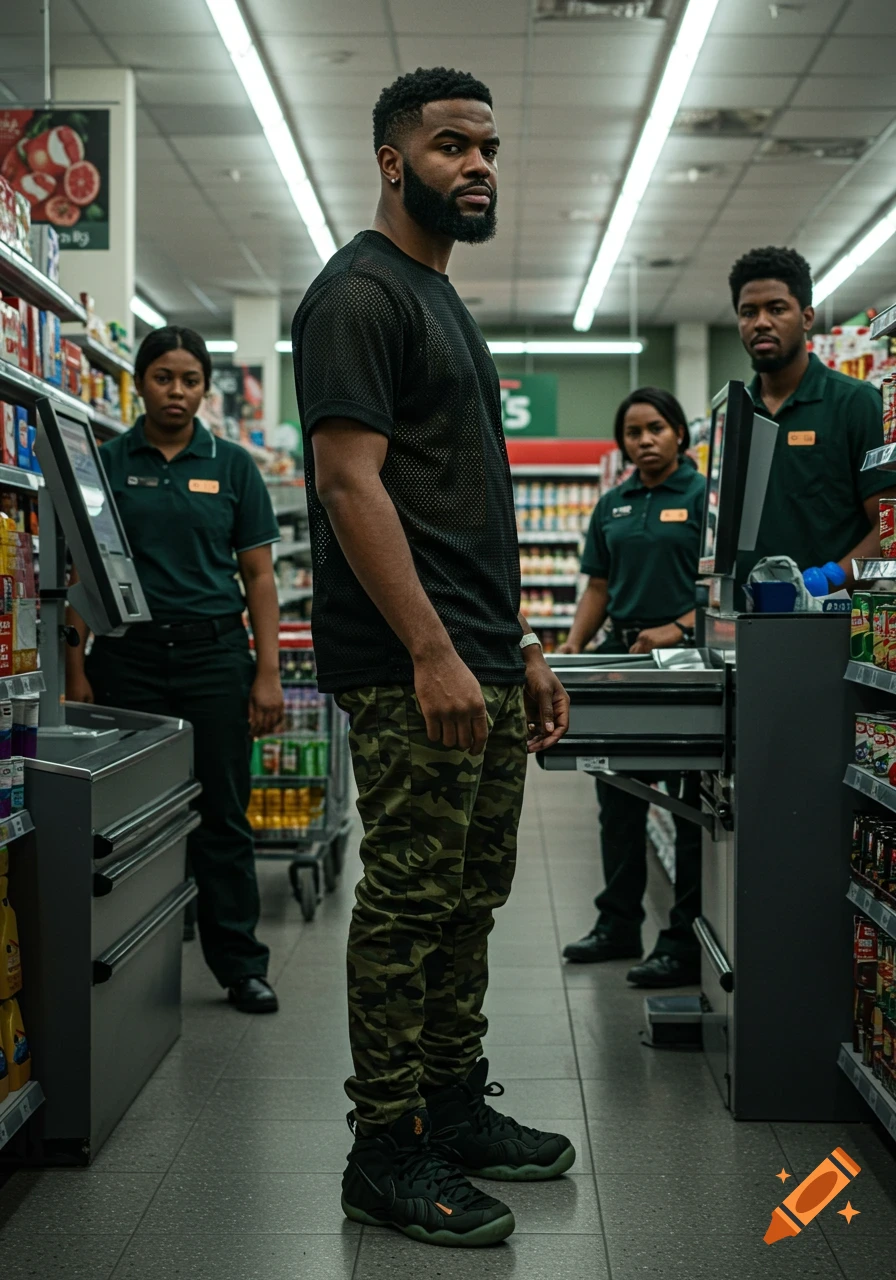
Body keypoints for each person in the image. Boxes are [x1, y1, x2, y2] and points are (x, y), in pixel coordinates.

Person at [292, 67, 572, 1249]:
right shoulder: (358, 295)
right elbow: (346, 483)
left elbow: (463, 503)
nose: (478, 165)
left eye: (488, 147)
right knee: (408, 904)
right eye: (452, 145)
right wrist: (431, 649)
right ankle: (385, 1146)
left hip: (477, 657)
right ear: (392, 161)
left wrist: (518, 645)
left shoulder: (440, 297)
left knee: (468, 897)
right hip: (413, 665)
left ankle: (451, 1102)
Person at [66, 326, 284, 1015]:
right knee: (127, 816)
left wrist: (268, 672)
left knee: (223, 815)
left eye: (191, 380)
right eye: (164, 378)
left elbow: (258, 576)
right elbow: (81, 572)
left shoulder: (233, 466)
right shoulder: (104, 463)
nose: (177, 392)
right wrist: (75, 668)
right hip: (126, 656)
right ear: (139, 383)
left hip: (214, 657)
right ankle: (131, 957)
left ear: (205, 388)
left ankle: (240, 966)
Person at [559, 389, 704, 988]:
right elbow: (598, 585)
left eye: (656, 428)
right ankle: (618, 924)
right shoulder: (613, 504)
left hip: (686, 665)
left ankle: (684, 940)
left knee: (691, 805)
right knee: (617, 796)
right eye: (633, 432)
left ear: (679, 433)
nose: (644, 440)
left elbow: (723, 584)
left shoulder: (703, 497)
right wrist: (574, 645)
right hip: (622, 660)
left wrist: (678, 627)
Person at [729, 245, 896, 598]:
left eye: (776, 309)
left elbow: (890, 525)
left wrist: (830, 579)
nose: (761, 322)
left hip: (833, 615)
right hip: (749, 615)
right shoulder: (736, 414)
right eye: (748, 312)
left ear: (806, 318)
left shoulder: (856, 404)